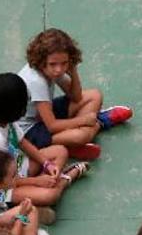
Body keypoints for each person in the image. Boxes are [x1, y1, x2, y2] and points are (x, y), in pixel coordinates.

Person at [0, 72, 88, 212]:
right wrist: (36, 182)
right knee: (50, 195)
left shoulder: (3, 120)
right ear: (11, 108)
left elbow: (22, 142)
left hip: (15, 166)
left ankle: (31, 200)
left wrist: (47, 163)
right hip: (1, 187)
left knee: (60, 151)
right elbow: (1, 181)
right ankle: (65, 178)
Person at [15, 28, 132, 161]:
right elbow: (52, 126)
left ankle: (74, 142)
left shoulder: (51, 69)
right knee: (80, 136)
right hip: (29, 131)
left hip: (43, 114)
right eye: (53, 64)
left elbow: (76, 97)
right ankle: (100, 122)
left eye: (64, 63)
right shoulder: (36, 81)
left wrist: (73, 72)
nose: (59, 69)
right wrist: (84, 120)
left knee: (95, 95)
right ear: (41, 62)